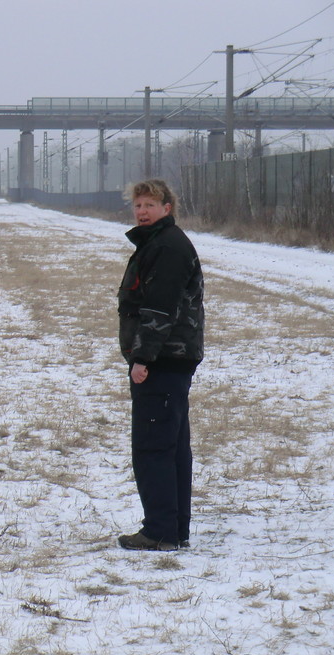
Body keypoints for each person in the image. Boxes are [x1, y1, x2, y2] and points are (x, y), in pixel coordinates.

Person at [116, 179, 204, 552]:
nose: (142, 211)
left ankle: (161, 532)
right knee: (171, 446)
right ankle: (173, 529)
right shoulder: (160, 243)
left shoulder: (167, 247)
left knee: (154, 447)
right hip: (173, 358)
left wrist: (142, 358)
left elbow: (159, 309)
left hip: (163, 360)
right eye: (138, 205)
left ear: (167, 207)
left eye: (150, 205)